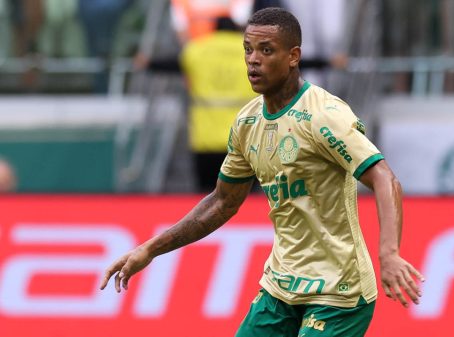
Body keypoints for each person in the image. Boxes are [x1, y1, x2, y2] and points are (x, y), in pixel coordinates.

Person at [101, 8, 423, 336]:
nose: (253, 60)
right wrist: (150, 249)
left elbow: (384, 178)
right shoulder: (246, 123)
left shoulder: (324, 116)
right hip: (280, 288)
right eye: (248, 50)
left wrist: (389, 253)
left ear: (293, 56)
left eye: (266, 50)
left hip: (338, 292)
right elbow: (221, 203)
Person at [181, 17, 257, 192]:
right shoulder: (252, 52)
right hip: (244, 141)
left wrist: (147, 63)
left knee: (206, 198)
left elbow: (172, 65)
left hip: (205, 140)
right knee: (246, 199)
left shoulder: (195, 49)